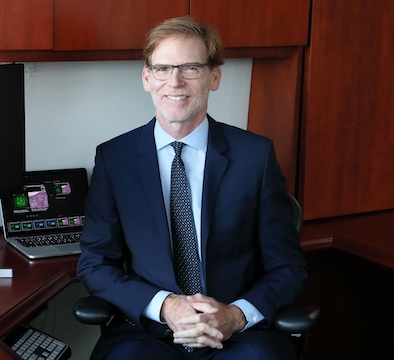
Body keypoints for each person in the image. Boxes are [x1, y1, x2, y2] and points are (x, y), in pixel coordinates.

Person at [76, 16, 308, 360]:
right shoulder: (114, 158)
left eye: (191, 68)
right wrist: (165, 306)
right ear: (146, 78)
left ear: (214, 76)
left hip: (239, 333)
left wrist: (235, 315)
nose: (175, 81)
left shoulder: (254, 156)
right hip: (148, 330)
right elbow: (95, 264)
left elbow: (288, 268)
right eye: (162, 68)